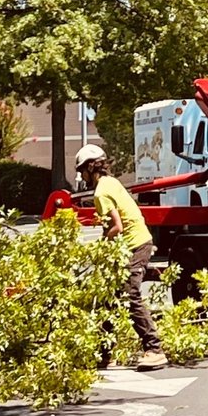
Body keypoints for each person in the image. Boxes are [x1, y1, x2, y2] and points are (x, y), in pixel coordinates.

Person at [74, 143, 165, 369]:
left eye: (82, 171)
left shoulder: (101, 192)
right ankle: (103, 352)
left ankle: (154, 349)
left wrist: (100, 247)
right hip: (136, 243)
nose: (81, 176)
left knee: (129, 295)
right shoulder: (111, 183)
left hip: (134, 245)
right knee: (110, 299)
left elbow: (117, 226)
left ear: (89, 168)